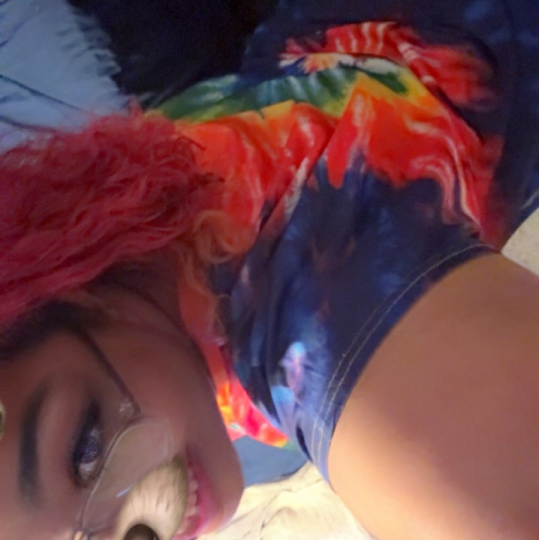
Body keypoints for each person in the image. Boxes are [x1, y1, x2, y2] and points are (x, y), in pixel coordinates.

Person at [0, 0, 538, 539]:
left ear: (74, 290)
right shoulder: (136, 225)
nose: (122, 529)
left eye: (88, 452)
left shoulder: (306, 298)